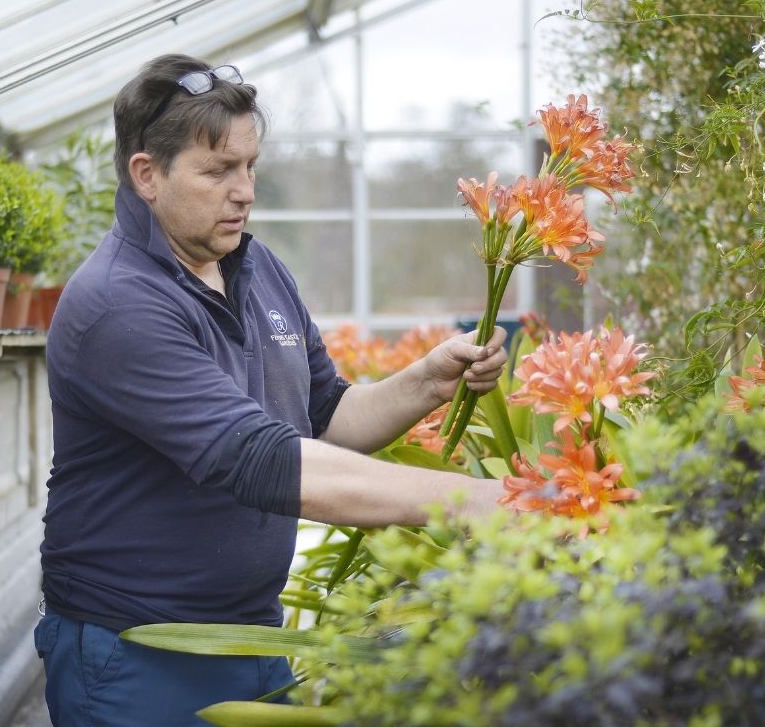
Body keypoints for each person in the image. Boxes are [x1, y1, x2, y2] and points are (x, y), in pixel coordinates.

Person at [36, 54, 508, 726]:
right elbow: (261, 460)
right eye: (218, 170)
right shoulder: (120, 305)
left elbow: (324, 416)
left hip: (254, 637)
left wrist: (426, 381)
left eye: (250, 166)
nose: (245, 190)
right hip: (138, 655)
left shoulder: (256, 269)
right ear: (147, 175)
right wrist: (475, 502)